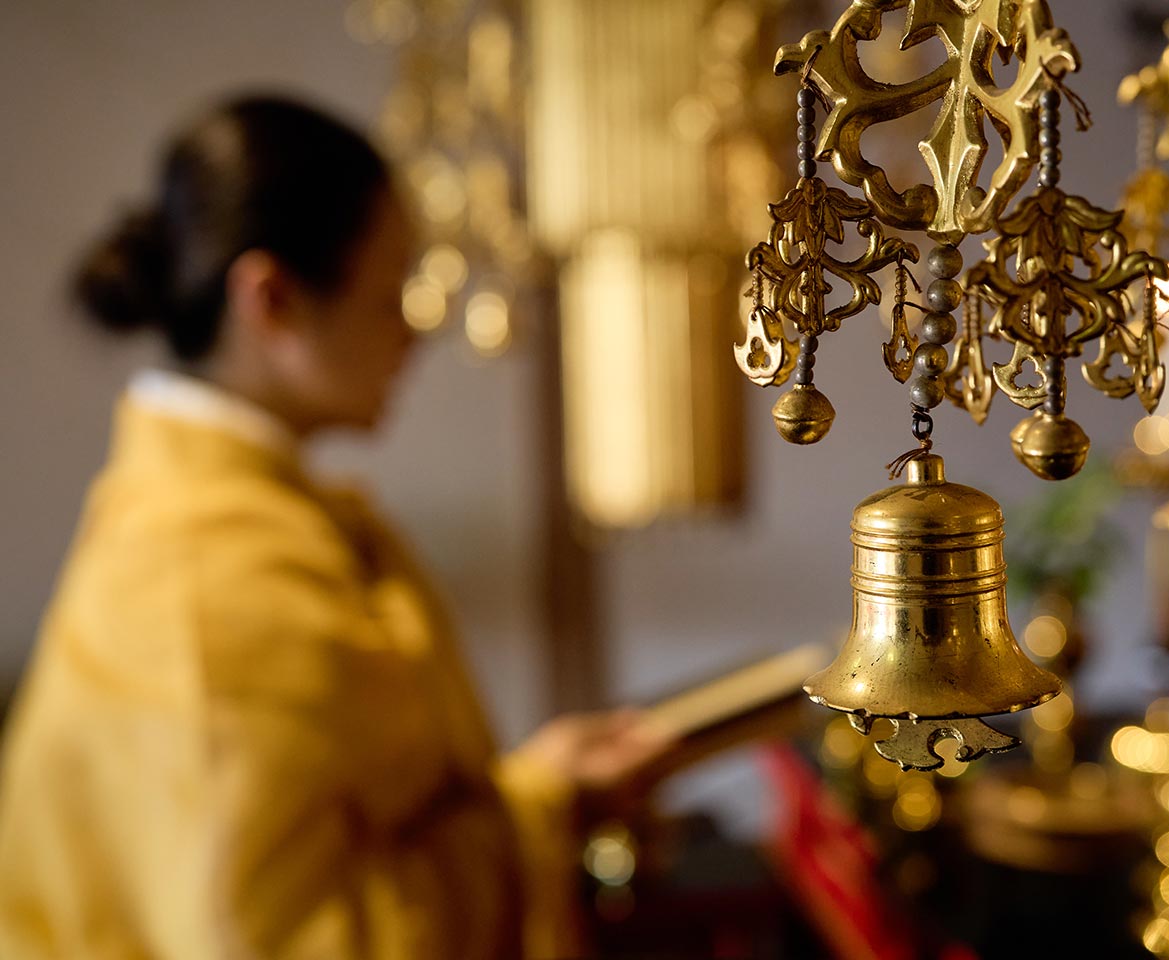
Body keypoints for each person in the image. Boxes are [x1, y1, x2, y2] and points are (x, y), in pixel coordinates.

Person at [0, 95, 669, 960]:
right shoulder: (203, 576)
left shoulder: (238, 519)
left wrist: (542, 789)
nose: (413, 332)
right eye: (392, 291)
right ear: (272, 298)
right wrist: (537, 806)